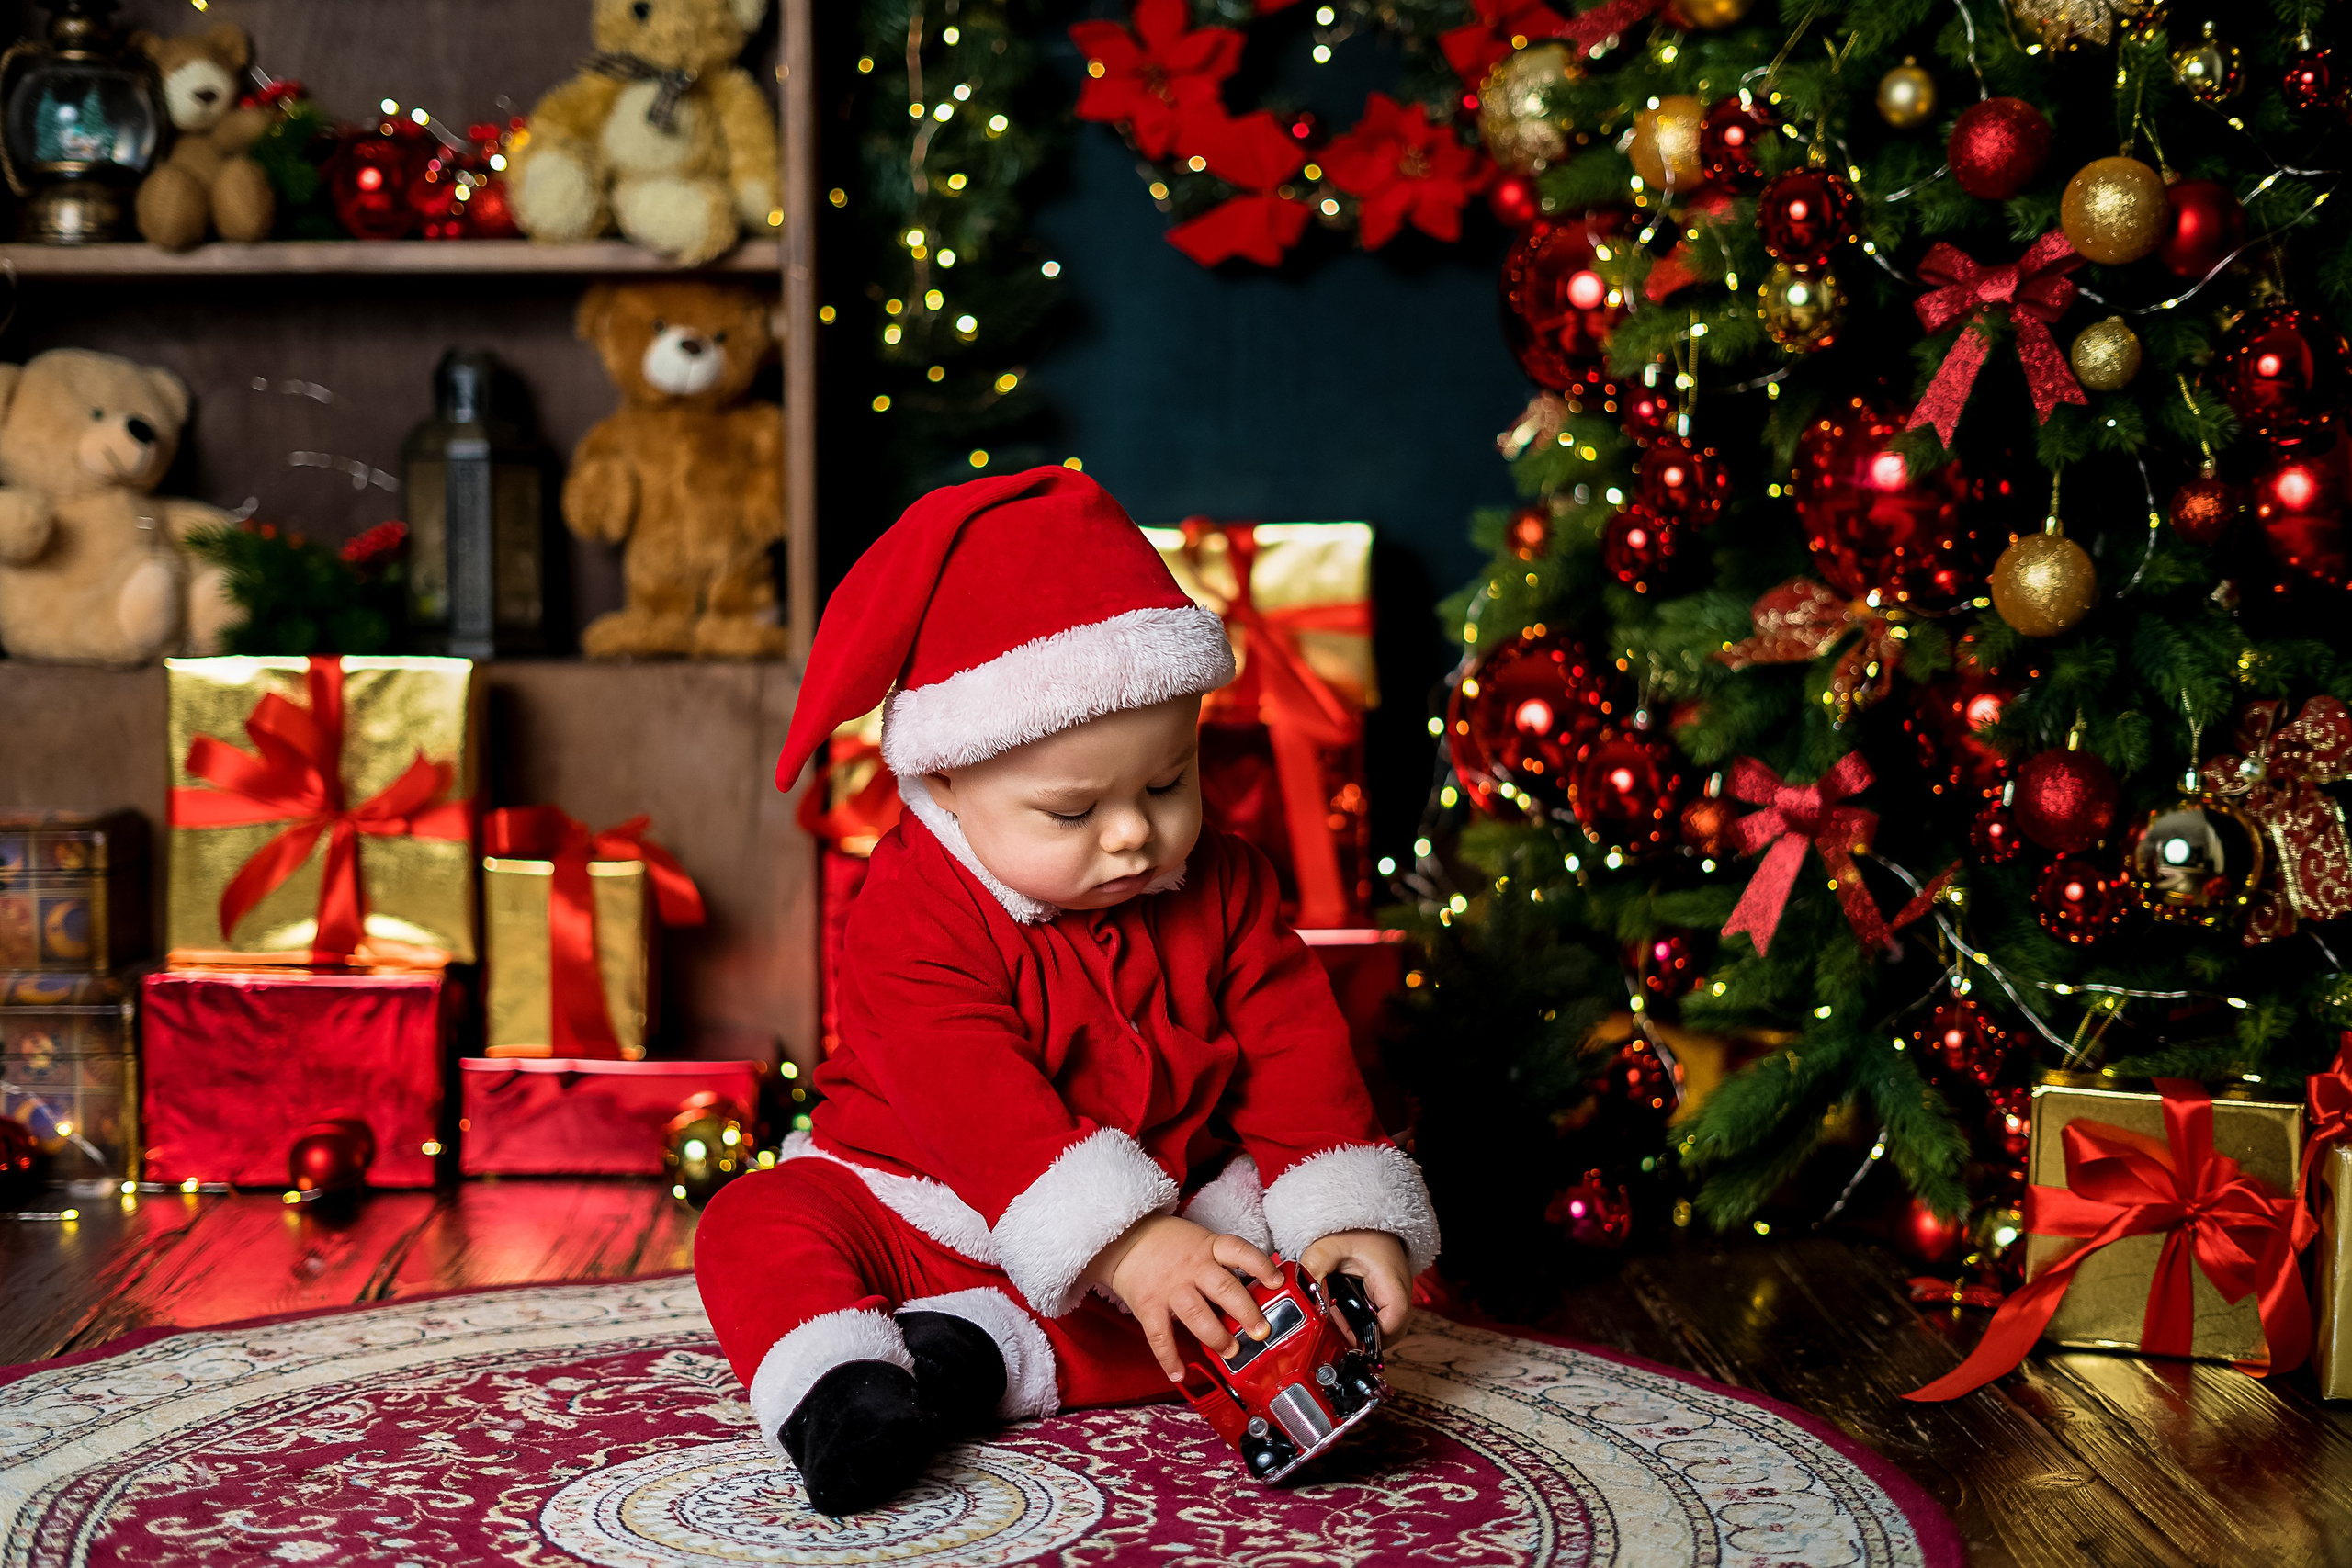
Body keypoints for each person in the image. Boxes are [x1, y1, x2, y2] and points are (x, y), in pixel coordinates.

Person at [695, 467, 1439, 1515]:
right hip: (925, 1200)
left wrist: (1345, 1213)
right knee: (754, 1220)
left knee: (1228, 1288)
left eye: (1168, 782)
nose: (1133, 832)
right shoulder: (913, 907)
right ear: (947, 776)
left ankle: (979, 1354)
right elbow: (968, 1093)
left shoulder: (1221, 880)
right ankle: (842, 1386)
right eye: (1073, 811)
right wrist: (1124, 1246)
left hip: (1171, 1201)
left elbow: (1291, 1039)